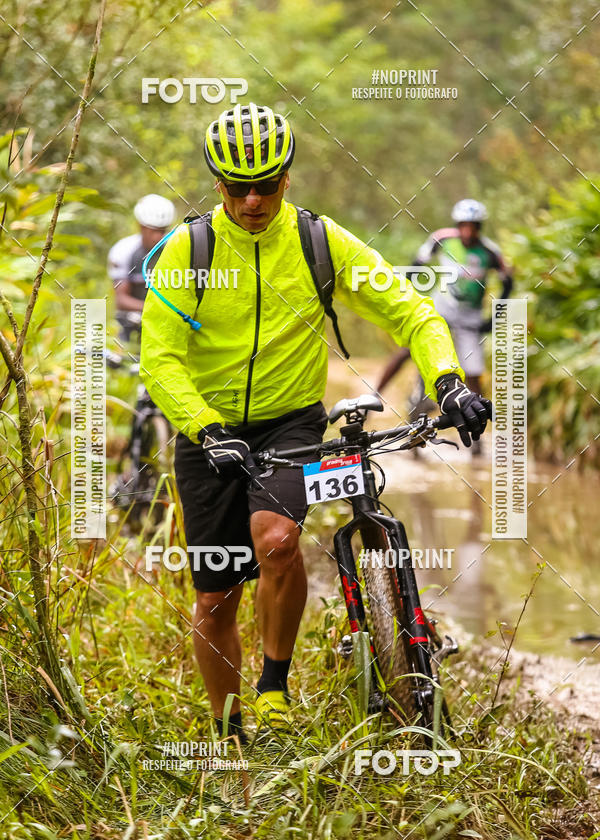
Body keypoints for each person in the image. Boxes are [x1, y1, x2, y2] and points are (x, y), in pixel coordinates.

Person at [140, 103, 492, 740]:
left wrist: (447, 381)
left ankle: (273, 684)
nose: (253, 200)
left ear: (287, 177)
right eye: (237, 187)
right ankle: (228, 727)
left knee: (275, 540)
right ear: (217, 184)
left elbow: (413, 312)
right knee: (216, 596)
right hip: (206, 434)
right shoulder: (189, 250)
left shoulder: (316, 241)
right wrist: (203, 426)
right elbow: (159, 357)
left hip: (291, 423)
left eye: (266, 185)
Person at [375, 199, 513, 451]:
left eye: (473, 227)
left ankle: (476, 427)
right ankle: (376, 393)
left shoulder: (490, 251)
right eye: (463, 226)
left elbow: (508, 283)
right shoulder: (442, 239)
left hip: (470, 318)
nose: (468, 232)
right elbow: (416, 266)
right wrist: (410, 298)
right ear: (457, 225)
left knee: (473, 371)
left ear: (479, 227)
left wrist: (493, 320)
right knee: (408, 350)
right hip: (441, 310)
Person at [108, 194, 176, 342]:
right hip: (132, 319)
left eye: (162, 230)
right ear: (141, 226)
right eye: (153, 230)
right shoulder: (123, 250)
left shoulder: (176, 249)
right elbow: (121, 299)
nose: (158, 237)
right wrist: (159, 310)